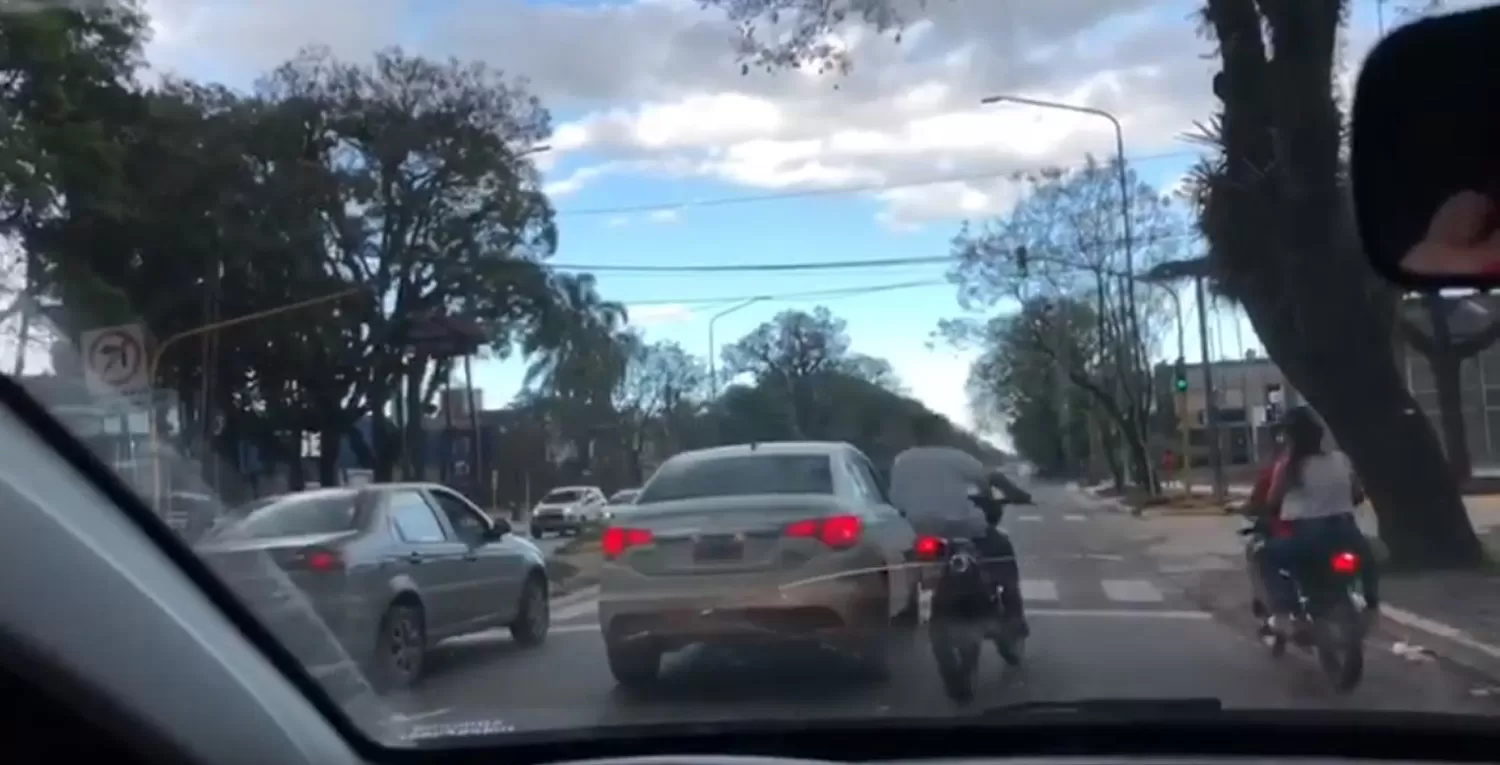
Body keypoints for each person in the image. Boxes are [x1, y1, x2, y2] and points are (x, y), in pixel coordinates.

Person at [888, 414, 1033, 638]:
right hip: (961, 527)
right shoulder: (956, 457)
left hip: (916, 530)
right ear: (941, 433)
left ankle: (908, 609)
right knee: (1003, 553)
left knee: (910, 565)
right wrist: (1018, 495)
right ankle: (1015, 618)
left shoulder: (901, 460)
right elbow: (990, 477)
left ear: (915, 434)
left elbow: (896, 500)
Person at [1257, 407, 1380, 636]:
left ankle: (1286, 610)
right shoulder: (1341, 459)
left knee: (1263, 555)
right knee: (1366, 559)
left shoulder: (1289, 466)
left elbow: (1272, 500)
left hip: (1308, 537)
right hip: (1346, 532)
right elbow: (1357, 495)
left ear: (1290, 437)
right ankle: (1372, 605)